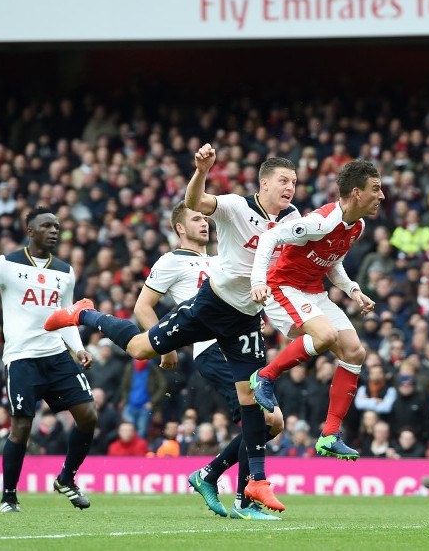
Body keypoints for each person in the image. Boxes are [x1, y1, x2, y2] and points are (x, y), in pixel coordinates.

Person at [44, 147, 300, 514]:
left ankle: (243, 487)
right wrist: (202, 170)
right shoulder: (181, 253)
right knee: (139, 349)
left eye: (294, 182)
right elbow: (143, 305)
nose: (203, 223)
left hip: (242, 320)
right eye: (283, 181)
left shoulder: (234, 248)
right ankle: (84, 315)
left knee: (262, 411)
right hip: (209, 331)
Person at [133, 200, 283, 520]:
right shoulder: (171, 261)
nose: (205, 223)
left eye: (206, 219)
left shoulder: (221, 260)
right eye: (196, 219)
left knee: (274, 422)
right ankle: (244, 501)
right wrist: (165, 348)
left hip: (240, 343)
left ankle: (209, 474)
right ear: (179, 228)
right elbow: (143, 307)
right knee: (261, 418)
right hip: (212, 350)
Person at [0, 206, 97, 513]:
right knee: (21, 428)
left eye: (57, 226)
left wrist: (78, 348)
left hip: (56, 355)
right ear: (30, 231)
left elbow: (66, 317)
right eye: (47, 226)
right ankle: (9, 496)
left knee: (89, 416)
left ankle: (66, 478)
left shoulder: (65, 271)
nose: (54, 231)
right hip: (22, 360)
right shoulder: (4, 265)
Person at [248, 159, 383, 460]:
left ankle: (330, 435)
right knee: (325, 335)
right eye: (376, 189)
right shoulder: (320, 221)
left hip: (313, 292)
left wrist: (353, 290)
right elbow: (271, 236)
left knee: (355, 353)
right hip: (282, 287)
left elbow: (331, 261)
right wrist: (258, 282)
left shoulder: (357, 225)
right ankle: (265, 377)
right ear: (356, 192)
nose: (382, 195)